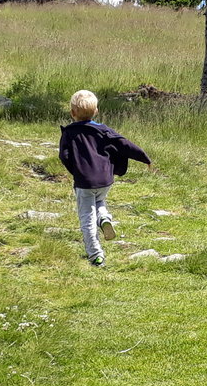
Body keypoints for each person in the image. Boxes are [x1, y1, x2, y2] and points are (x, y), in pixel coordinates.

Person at [58, 90, 152, 267]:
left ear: (72, 113)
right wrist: (144, 157)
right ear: (96, 112)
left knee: (86, 217)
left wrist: (76, 170)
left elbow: (64, 156)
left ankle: (96, 255)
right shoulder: (104, 130)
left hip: (84, 182)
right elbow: (124, 144)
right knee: (99, 201)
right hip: (104, 180)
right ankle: (104, 219)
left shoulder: (69, 133)